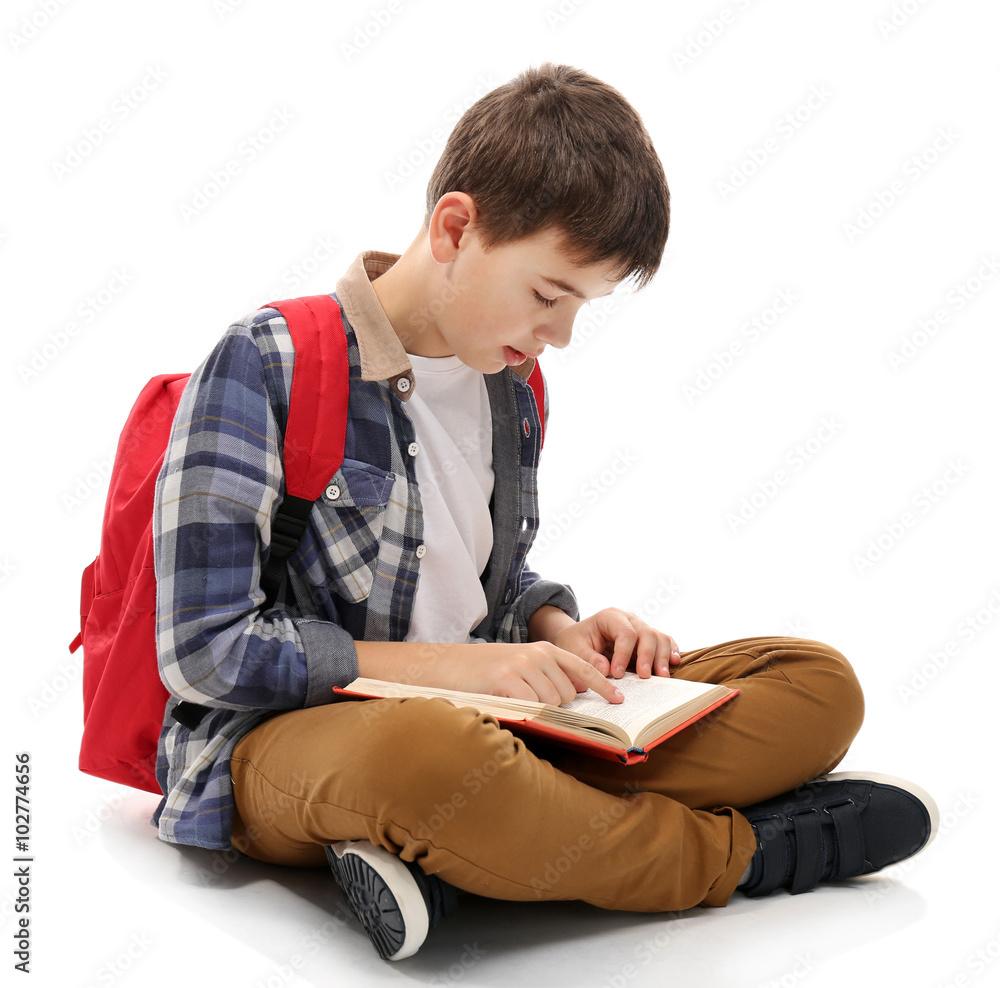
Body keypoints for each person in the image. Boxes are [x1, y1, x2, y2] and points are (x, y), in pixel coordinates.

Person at [151, 63, 938, 962]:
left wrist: (559, 628)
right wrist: (457, 673)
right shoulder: (267, 362)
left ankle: (471, 854)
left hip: (491, 727)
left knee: (814, 683)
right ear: (456, 227)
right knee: (430, 758)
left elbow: (476, 575)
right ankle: (742, 854)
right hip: (296, 744)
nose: (559, 334)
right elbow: (201, 652)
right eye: (550, 294)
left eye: (581, 307)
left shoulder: (511, 386)